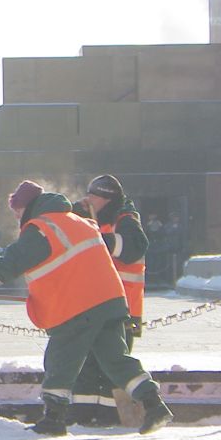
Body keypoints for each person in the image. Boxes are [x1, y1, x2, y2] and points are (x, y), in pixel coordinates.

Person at [0, 180, 171, 436]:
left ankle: (54, 418)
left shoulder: (42, 229)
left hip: (79, 305)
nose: (17, 216)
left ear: (28, 207)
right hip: (112, 302)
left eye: (17, 210)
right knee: (116, 359)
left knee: (60, 359)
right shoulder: (76, 221)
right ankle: (155, 405)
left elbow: (8, 264)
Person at [70, 175, 150, 425]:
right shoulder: (96, 220)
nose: (88, 199)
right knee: (88, 363)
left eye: (93, 196)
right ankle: (83, 414)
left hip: (123, 309)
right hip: (96, 306)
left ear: (106, 199)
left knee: (112, 366)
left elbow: (135, 247)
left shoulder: (125, 220)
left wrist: (97, 241)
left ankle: (109, 415)